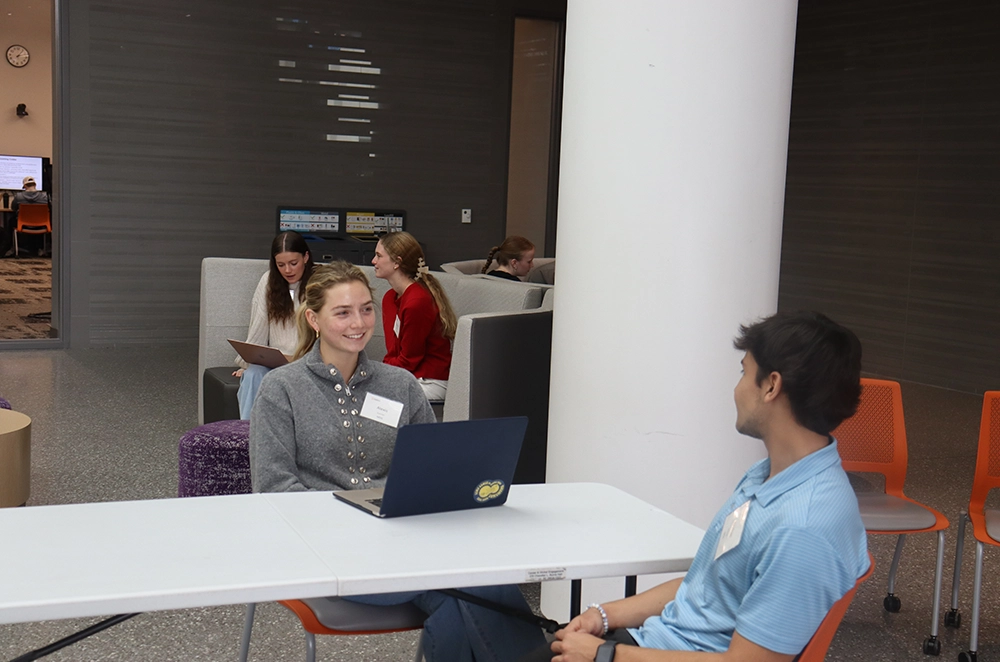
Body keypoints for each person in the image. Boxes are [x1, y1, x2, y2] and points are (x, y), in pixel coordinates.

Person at [519, 311, 870, 662]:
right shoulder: (771, 476)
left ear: (771, 386)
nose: (736, 389)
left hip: (655, 653)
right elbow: (705, 588)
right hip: (653, 642)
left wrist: (605, 654)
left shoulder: (803, 528)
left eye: (744, 372)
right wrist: (604, 614)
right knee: (479, 601)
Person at [249, 261, 546, 662]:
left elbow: (435, 466)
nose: (358, 322)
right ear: (313, 319)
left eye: (366, 308)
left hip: (409, 538)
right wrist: (357, 520)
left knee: (457, 596)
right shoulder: (280, 388)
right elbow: (273, 488)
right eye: (342, 312)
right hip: (326, 546)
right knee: (473, 582)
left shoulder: (400, 384)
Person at [233, 231, 314, 419]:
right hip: (276, 361)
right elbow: (258, 327)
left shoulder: (322, 282)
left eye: (294, 263)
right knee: (253, 374)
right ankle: (249, 438)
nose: (287, 270)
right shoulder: (268, 281)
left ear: (306, 257)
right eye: (281, 265)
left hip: (308, 361)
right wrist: (247, 363)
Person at [372, 231, 456, 402]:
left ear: (397, 262)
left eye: (379, 256)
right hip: (409, 374)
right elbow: (394, 352)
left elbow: (410, 360)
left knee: (371, 396)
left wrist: (377, 374)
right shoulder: (390, 298)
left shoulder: (417, 301)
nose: (373, 261)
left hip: (430, 380)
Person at [9, 175, 51, 257]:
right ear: (35, 185)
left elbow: (13, 208)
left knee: (10, 221)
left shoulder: (19, 196)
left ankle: (12, 248)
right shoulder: (45, 196)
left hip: (23, 225)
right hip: (42, 225)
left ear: (25, 186)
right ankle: (44, 248)